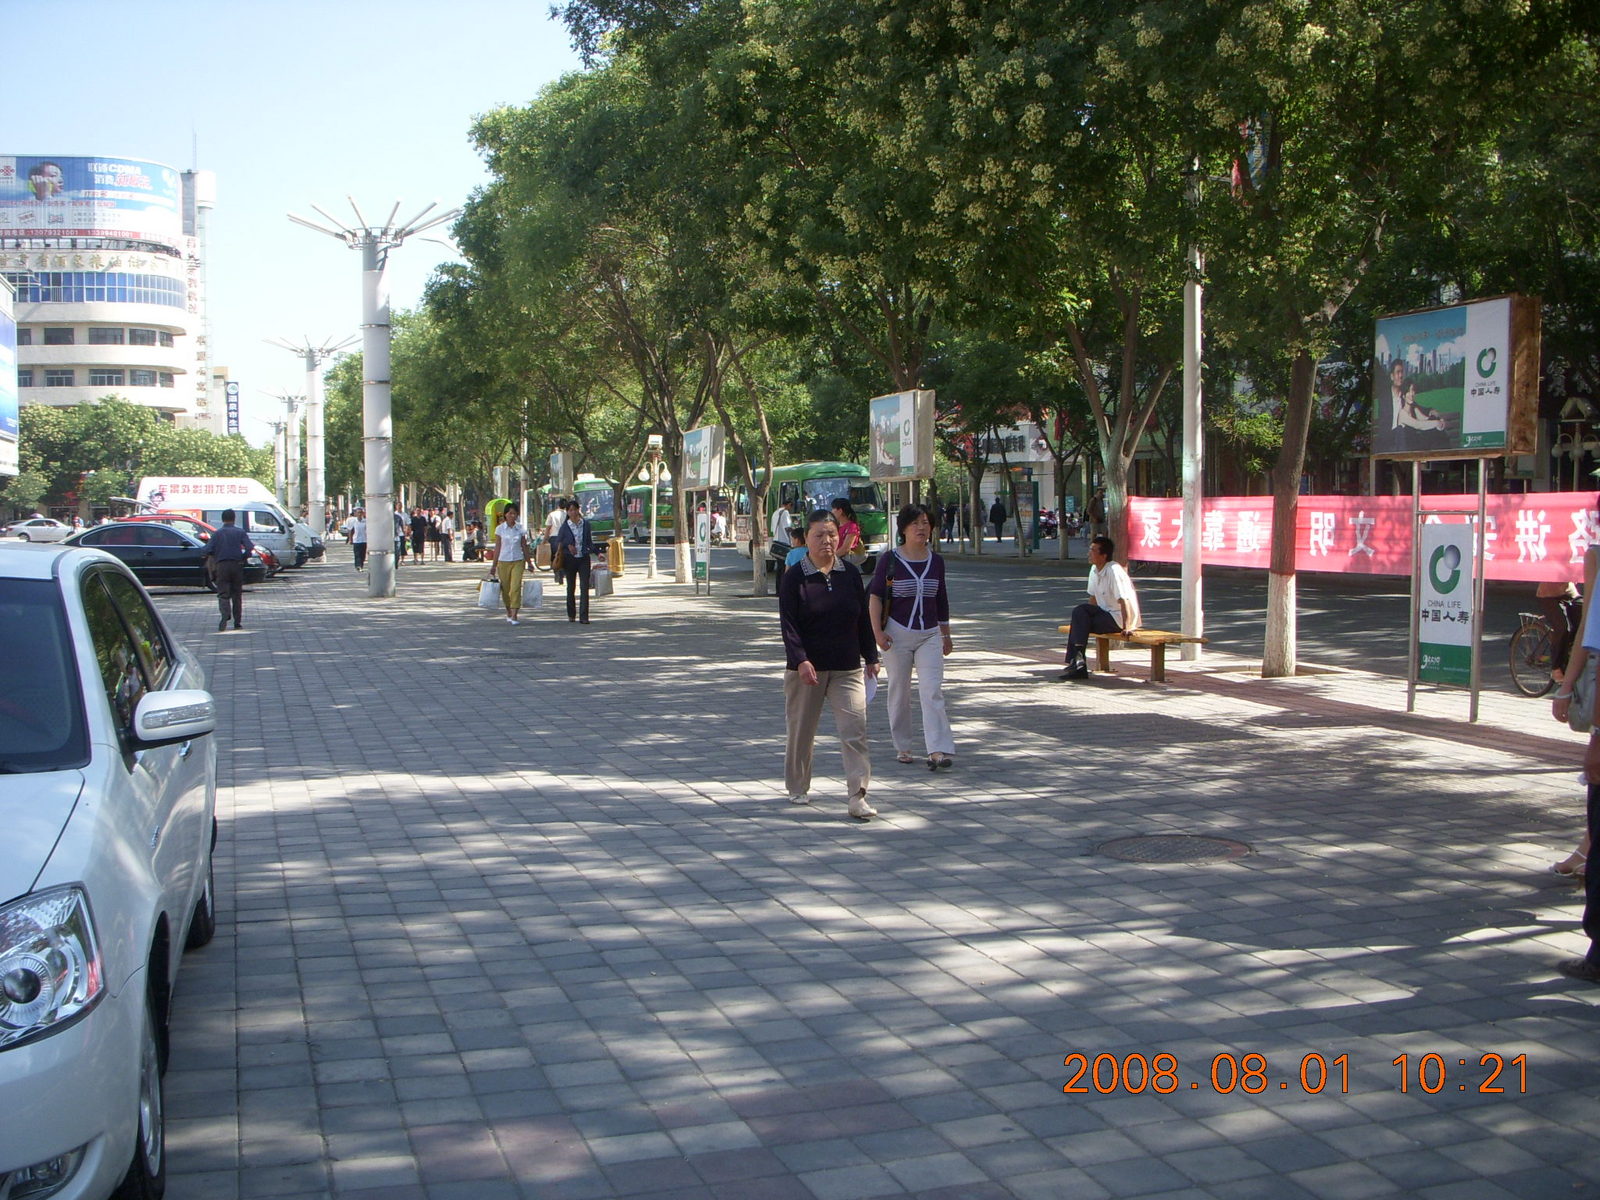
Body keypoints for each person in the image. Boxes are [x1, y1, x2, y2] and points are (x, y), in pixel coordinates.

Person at [779, 509, 881, 820]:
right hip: (807, 669)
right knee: (802, 731)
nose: (826, 540)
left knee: (854, 731)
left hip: (846, 667)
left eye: (832, 534)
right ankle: (798, 786)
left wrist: (871, 656)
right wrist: (800, 660)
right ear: (806, 539)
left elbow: (862, 619)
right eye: (819, 535)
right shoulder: (794, 577)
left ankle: (857, 795)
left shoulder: (849, 574)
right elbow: (789, 625)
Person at [869, 504, 955, 769]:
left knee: (932, 690)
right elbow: (875, 597)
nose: (921, 528)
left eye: (926, 523)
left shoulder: (936, 561)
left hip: (929, 634)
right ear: (904, 529)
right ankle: (903, 746)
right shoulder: (890, 560)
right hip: (897, 634)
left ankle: (938, 750)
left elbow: (941, 599)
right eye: (915, 523)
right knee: (899, 691)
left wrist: (946, 634)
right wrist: (877, 633)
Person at [1061, 535, 1140, 681]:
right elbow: (1093, 599)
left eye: (1093, 550)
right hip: (1104, 614)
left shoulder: (1114, 570)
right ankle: (1078, 662)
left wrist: (1127, 627)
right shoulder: (1094, 570)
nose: (1089, 553)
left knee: (1079, 621)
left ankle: (1078, 663)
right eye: (1090, 549)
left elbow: (1125, 601)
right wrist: (1084, 619)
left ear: (1103, 556)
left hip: (1117, 619)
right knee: (1079, 613)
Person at [202, 509, 255, 632]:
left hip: (222, 566)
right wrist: (243, 557)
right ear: (234, 518)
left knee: (223, 593)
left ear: (222, 519)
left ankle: (225, 615)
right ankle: (237, 622)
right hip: (237, 565)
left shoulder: (217, 534)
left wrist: (213, 553)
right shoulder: (240, 532)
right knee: (237, 594)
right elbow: (249, 547)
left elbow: (206, 550)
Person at [556, 499, 601, 623]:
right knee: (571, 587)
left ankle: (584, 616)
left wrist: (598, 553)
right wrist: (568, 546)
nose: (573, 512)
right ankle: (571, 614)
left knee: (584, 587)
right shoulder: (565, 526)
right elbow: (558, 542)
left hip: (583, 558)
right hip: (569, 560)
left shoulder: (585, 524)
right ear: (567, 512)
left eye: (575, 510)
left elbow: (589, 542)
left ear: (578, 510)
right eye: (570, 510)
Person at [492, 504, 533, 625]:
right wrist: (494, 565)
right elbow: (497, 547)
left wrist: (529, 562)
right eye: (510, 513)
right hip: (503, 561)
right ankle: (509, 611)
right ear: (505, 514)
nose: (512, 516)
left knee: (515, 587)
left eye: (514, 513)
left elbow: (524, 546)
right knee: (506, 589)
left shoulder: (520, 529)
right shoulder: (500, 529)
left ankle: (515, 614)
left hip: (518, 560)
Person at [832, 499, 864, 563]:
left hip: (847, 559)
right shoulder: (836, 526)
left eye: (833, 509)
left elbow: (845, 549)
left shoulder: (852, 526)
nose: (831, 511)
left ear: (840, 511)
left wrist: (830, 558)